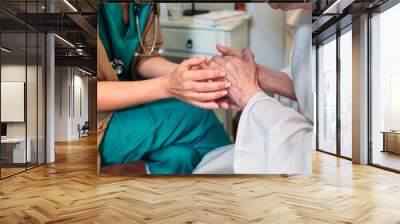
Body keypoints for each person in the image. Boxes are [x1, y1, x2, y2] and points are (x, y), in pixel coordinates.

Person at [97, 3, 231, 174]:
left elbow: (143, 57)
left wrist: (186, 75)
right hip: (90, 122)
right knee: (196, 113)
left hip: (126, 106)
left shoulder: (145, 5)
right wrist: (166, 86)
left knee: (181, 156)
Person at [194, 3, 313, 174]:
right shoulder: (312, 13)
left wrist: (248, 94)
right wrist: (256, 74)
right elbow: (314, 86)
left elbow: (311, 158)